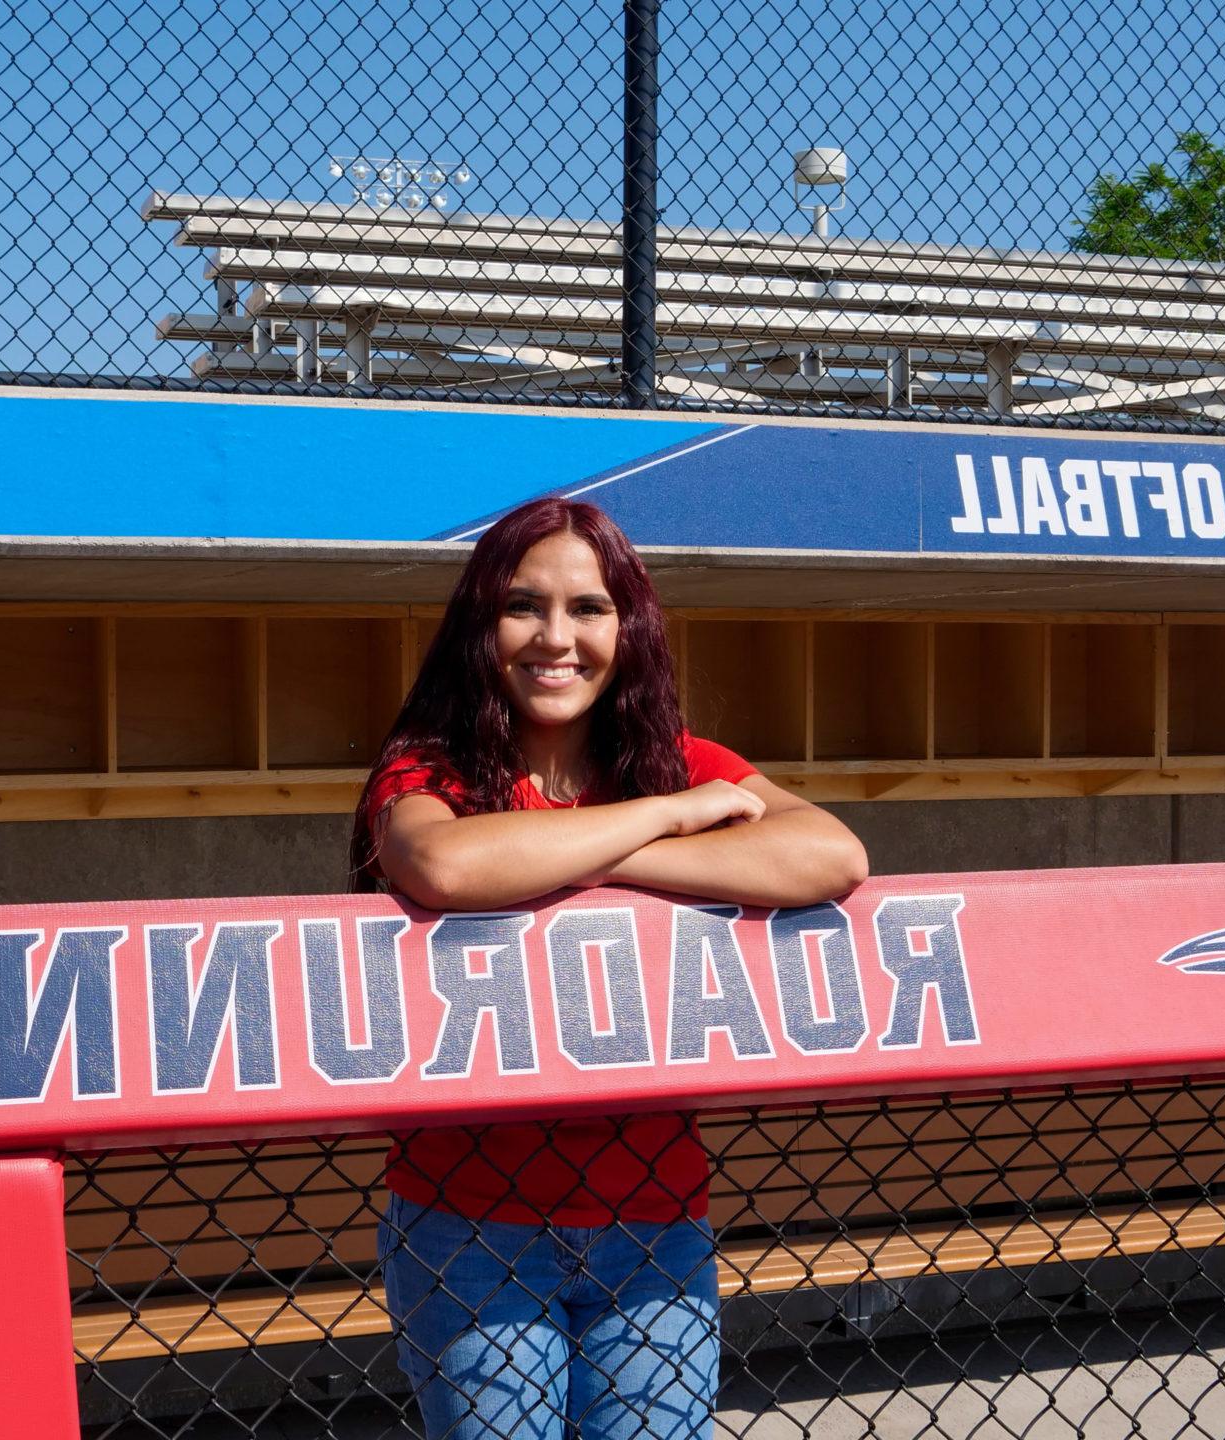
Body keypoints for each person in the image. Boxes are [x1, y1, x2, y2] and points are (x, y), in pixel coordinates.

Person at [350, 496, 869, 1440]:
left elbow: (830, 856)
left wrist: (601, 847)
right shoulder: (429, 769)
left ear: (627, 626)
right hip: (472, 1226)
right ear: (482, 625)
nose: (556, 637)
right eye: (523, 605)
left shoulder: (676, 762)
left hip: (656, 1222)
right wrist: (671, 820)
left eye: (588, 608)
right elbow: (445, 864)